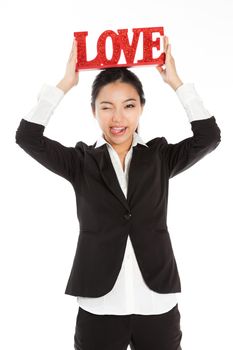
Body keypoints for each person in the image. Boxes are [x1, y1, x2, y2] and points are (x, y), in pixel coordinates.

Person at [15, 36, 221, 350]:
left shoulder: (160, 157)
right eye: (106, 107)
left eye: (128, 105)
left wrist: (175, 82)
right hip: (99, 305)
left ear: (141, 108)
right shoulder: (80, 161)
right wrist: (65, 84)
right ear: (94, 111)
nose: (117, 117)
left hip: (157, 304)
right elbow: (27, 137)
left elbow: (208, 136)